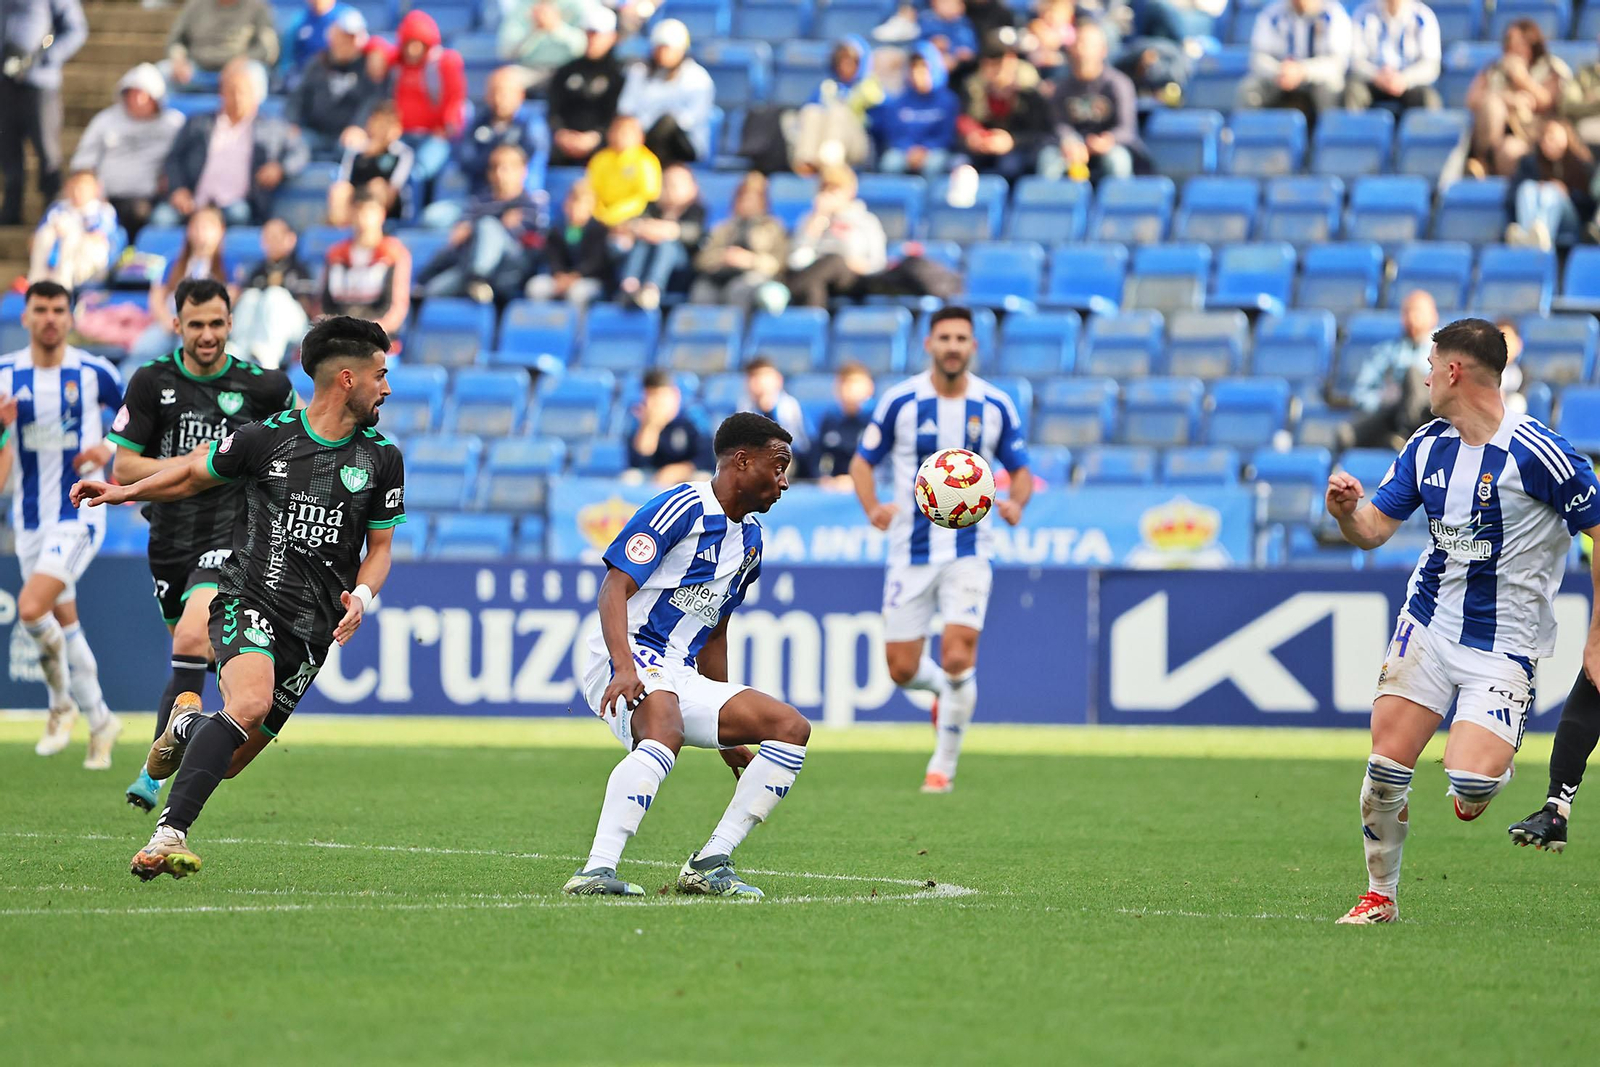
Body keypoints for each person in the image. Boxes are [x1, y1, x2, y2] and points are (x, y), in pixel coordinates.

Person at [72, 316, 404, 881]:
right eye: (381, 375)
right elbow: (191, 475)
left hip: (314, 629)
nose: (387, 388)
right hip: (250, 599)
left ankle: (184, 724)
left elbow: (380, 548)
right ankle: (167, 834)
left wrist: (364, 595)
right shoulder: (266, 438)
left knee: (227, 760)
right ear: (347, 379)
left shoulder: (382, 457)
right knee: (248, 704)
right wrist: (125, 490)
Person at [1324, 318, 1600, 923]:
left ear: (1453, 371)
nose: (1423, 377)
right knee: (1385, 768)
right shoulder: (1427, 445)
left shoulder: (1540, 453)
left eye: (1430, 366)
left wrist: (1598, 636)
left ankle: (1483, 771)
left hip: (1505, 643)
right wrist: (1347, 513)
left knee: (1471, 783)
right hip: (1428, 623)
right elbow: (1373, 529)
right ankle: (1380, 896)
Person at [565, 411, 808, 898]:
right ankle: (596, 870)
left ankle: (710, 862)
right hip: (627, 651)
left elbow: (715, 631)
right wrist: (623, 667)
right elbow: (613, 587)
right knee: (664, 729)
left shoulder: (751, 542)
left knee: (789, 728)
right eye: (778, 466)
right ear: (742, 461)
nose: (784, 482)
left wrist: (723, 731)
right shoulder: (683, 506)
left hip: (678, 670)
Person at [109, 277, 297, 812]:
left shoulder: (264, 387)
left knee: (193, 635)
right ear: (177, 325)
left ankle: (158, 777)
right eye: (196, 325)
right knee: (193, 650)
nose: (208, 334)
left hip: (233, 535)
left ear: (231, 323)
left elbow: (302, 439)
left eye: (217, 323)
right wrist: (196, 461)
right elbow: (124, 466)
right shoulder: (151, 381)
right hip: (169, 538)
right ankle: (177, 742)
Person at [848, 305, 1033, 793]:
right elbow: (862, 462)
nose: (953, 346)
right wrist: (872, 507)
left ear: (973, 346)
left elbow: (1021, 469)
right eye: (944, 338)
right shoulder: (900, 401)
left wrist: (1016, 502)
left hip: (970, 548)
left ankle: (942, 768)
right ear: (929, 344)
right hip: (909, 551)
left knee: (957, 654)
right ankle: (943, 695)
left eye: (961, 338)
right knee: (902, 669)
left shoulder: (995, 405)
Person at [0, 281, 124, 768]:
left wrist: (108, 447)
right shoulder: (5, 374)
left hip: (81, 512)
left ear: (71, 317)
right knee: (65, 624)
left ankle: (60, 706)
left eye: (58, 309)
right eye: (41, 309)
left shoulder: (95, 372)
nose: (50, 318)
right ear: (26, 316)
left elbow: (138, 414)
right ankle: (101, 719)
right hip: (30, 519)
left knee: (32, 609)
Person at [152, 57, 310, 228]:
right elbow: (174, 158)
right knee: (161, 220)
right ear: (222, 93)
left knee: (238, 215)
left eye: (242, 92)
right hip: (194, 202)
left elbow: (300, 151)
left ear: (255, 95)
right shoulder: (198, 124)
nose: (237, 98)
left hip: (236, 206)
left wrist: (280, 168)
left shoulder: (271, 128)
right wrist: (178, 189)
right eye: (231, 91)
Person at [68, 64, 185, 239]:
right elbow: (83, 162)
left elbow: (182, 160)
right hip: (105, 199)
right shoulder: (105, 120)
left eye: (143, 94)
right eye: (132, 94)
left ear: (156, 97)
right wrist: (91, 189)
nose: (137, 100)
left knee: (153, 216)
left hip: (149, 200)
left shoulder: (173, 124)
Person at [419, 144, 546, 304]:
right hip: (468, 267)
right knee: (432, 292)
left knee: (488, 225)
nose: (500, 174)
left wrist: (481, 227)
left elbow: (515, 240)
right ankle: (475, 283)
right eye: (495, 167)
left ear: (522, 171)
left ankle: (478, 278)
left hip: (508, 272)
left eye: (507, 168)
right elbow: (459, 239)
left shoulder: (530, 205)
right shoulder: (478, 202)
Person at [0, 0, 87, 226]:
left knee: (46, 147)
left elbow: (76, 29)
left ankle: (52, 208)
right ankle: (11, 208)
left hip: (40, 83)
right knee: (7, 147)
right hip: (5, 82)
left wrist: (46, 56)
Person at [1040, 20, 1147, 183]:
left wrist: (1107, 140)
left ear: (1102, 50)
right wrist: (1070, 142)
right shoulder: (1062, 87)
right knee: (1048, 159)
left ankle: (1116, 199)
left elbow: (1127, 129)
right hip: (1074, 147)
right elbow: (1060, 124)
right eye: (1077, 43)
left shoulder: (1118, 84)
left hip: (1109, 146)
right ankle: (1052, 200)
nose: (1080, 49)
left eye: (1086, 44)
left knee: (1118, 160)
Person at [1467, 19, 1573, 178]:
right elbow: (1472, 98)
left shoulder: (1550, 67)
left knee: (1510, 150)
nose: (1513, 48)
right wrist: (1507, 98)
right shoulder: (1494, 68)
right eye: (1509, 42)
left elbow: (1547, 101)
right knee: (1492, 105)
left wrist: (1521, 78)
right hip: (1497, 135)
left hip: (1533, 136)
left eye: (1519, 43)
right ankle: (1483, 163)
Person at [1339, 289, 1439, 451]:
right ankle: (1396, 440)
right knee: (1346, 435)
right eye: (1407, 312)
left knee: (1413, 375)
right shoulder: (1386, 352)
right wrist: (1383, 398)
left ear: (1433, 316)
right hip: (1391, 413)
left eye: (1418, 311)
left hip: (1428, 414)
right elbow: (1360, 394)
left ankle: (1408, 438)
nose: (1412, 318)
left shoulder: (1445, 349)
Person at [129, 206, 230, 364]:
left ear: (220, 230)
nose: (201, 232)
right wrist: (167, 321)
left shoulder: (228, 264)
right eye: (196, 226)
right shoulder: (174, 261)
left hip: (205, 324)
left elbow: (230, 297)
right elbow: (157, 297)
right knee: (145, 348)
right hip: (171, 320)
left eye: (207, 227)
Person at [286, 7, 387, 162]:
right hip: (314, 132)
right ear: (332, 35)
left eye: (352, 37)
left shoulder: (369, 67)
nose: (347, 42)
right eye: (343, 36)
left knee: (357, 152)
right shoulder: (318, 63)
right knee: (289, 146)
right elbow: (298, 97)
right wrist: (292, 122)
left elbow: (372, 101)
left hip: (347, 137)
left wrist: (358, 127)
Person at [783, 165, 888, 308]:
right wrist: (818, 218)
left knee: (834, 260)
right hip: (816, 274)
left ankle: (786, 292)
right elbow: (796, 258)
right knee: (812, 287)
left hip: (852, 278)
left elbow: (878, 263)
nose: (828, 195)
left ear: (850, 191)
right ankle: (811, 320)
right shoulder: (812, 219)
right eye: (824, 189)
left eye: (834, 189)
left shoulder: (867, 221)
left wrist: (854, 264)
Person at [1238, 0, 1353, 128]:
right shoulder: (1272, 13)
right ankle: (1251, 135)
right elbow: (1258, 57)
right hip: (1280, 77)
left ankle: (1328, 136)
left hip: (1315, 79)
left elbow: (1337, 62)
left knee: (1332, 87)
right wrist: (1280, 71)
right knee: (1250, 88)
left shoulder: (1333, 14)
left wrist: (1303, 71)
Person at [957, 28, 1053, 181]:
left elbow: (1043, 134)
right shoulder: (973, 90)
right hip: (982, 152)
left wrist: (1012, 141)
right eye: (993, 60)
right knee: (959, 164)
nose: (999, 67)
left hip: (1021, 153)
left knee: (1010, 164)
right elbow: (964, 123)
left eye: (1006, 59)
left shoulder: (1030, 91)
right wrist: (972, 139)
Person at [617, 18, 714, 166]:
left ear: (682, 50)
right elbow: (626, 108)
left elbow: (691, 119)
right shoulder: (639, 72)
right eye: (659, 47)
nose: (663, 53)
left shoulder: (698, 79)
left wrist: (654, 124)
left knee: (667, 123)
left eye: (668, 48)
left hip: (683, 143)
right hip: (640, 138)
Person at [391, 10, 468, 192]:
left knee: (417, 171)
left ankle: (417, 208)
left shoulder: (443, 64)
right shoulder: (397, 65)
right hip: (401, 135)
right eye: (408, 44)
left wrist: (447, 126)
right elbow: (374, 47)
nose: (412, 50)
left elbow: (455, 98)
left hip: (434, 137)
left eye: (417, 44)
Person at [689, 172, 789, 313]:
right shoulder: (723, 228)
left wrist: (750, 260)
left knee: (739, 289)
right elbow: (701, 260)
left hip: (755, 276)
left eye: (753, 199)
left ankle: (738, 327)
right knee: (702, 289)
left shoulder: (773, 228)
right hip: (722, 274)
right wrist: (724, 257)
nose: (747, 203)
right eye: (743, 197)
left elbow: (779, 264)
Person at [455, 66, 550, 204]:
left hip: (519, 201)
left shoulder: (532, 126)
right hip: (480, 199)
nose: (499, 99)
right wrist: (495, 154)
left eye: (505, 93)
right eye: (494, 92)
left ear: (520, 95)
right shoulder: (479, 122)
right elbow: (466, 161)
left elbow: (533, 164)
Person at [323, 192, 412, 337]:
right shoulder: (335, 254)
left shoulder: (394, 254)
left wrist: (370, 332)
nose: (362, 218)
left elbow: (396, 309)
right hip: (338, 336)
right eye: (358, 211)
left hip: (377, 337)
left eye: (369, 211)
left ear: (381, 214)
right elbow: (324, 304)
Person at [616, 162, 703, 310]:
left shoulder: (696, 210)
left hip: (680, 265)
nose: (669, 189)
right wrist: (643, 229)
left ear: (693, 189)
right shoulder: (652, 207)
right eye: (665, 184)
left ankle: (652, 288)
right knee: (642, 241)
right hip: (647, 257)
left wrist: (669, 230)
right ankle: (629, 285)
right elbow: (634, 224)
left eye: (675, 185)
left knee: (665, 243)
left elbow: (694, 233)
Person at [230, 218, 315, 367]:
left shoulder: (300, 270)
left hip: (295, 328)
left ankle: (268, 358)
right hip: (256, 329)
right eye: (267, 238)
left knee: (274, 295)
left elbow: (307, 305)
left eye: (276, 237)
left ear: (290, 239)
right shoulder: (257, 271)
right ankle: (240, 350)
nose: (272, 242)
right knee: (250, 296)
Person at [547, 5, 624, 167]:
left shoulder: (620, 75)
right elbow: (553, 107)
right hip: (562, 146)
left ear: (612, 37)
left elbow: (619, 113)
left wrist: (597, 136)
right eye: (589, 32)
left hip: (603, 148)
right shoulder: (566, 71)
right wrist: (561, 133)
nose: (592, 39)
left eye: (597, 34)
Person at [792, 36, 881, 175]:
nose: (845, 66)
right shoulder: (827, 87)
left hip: (859, 147)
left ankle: (831, 162)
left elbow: (881, 123)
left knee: (838, 110)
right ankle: (807, 163)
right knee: (812, 111)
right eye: (841, 60)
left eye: (851, 61)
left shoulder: (870, 87)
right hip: (820, 146)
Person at [872, 43, 961, 176]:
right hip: (905, 152)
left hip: (935, 151)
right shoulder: (899, 101)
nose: (918, 73)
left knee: (934, 164)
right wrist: (909, 150)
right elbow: (895, 135)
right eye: (914, 68)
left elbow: (947, 136)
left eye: (924, 67)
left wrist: (926, 149)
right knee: (890, 163)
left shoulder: (948, 100)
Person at [1506, 118, 1593, 251]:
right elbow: (1512, 196)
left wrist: (1567, 192)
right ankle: (1528, 236)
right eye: (1545, 137)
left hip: (1570, 222)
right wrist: (1538, 188)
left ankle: (1542, 239)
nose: (1548, 141)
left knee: (1551, 191)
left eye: (1553, 137)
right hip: (1534, 210)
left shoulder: (1581, 164)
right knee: (1527, 187)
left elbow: (1589, 204)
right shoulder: (1530, 163)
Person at [1346, 0, 1442, 115]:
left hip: (1408, 83)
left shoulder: (1423, 16)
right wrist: (1377, 75)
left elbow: (1431, 65)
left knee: (1427, 98)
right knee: (1352, 92)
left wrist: (1404, 78)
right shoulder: (1363, 13)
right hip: (1372, 81)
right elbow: (1354, 60)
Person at [29, 170, 119, 288]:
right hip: (54, 258)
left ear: (95, 189)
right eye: (74, 187)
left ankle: (63, 286)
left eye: (82, 188)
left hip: (87, 259)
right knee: (47, 233)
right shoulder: (57, 208)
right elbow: (35, 239)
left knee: (70, 236)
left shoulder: (103, 210)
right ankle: (37, 283)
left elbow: (99, 238)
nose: (77, 192)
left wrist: (71, 232)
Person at [527, 179, 611, 306]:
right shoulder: (557, 230)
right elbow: (553, 258)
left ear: (591, 206)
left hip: (588, 280)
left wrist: (575, 276)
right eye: (572, 201)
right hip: (559, 279)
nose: (575, 207)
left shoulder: (599, 230)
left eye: (581, 203)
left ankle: (578, 320)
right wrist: (559, 275)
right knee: (536, 287)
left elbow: (595, 262)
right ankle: (545, 319)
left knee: (578, 293)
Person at [328, 103, 413, 224]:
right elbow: (345, 180)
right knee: (340, 190)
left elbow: (394, 187)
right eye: (377, 121)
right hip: (355, 197)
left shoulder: (401, 153)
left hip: (385, 203)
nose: (380, 128)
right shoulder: (357, 150)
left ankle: (370, 226)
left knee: (377, 187)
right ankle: (340, 228)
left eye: (385, 123)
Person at [165, 0, 280, 89]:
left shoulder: (257, 7)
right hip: (197, 67)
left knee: (255, 74)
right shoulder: (196, 5)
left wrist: (243, 60)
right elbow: (176, 40)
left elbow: (268, 48)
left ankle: (249, 113)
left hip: (238, 67)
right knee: (164, 71)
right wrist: (179, 60)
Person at [627, 368, 704, 484]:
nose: (654, 402)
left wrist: (679, 471)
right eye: (649, 396)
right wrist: (650, 426)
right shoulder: (640, 418)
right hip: (654, 478)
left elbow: (706, 459)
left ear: (675, 394)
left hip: (688, 478)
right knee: (631, 478)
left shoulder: (692, 416)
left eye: (658, 395)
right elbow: (638, 462)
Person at [587, 114, 661, 227]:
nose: (619, 136)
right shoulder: (600, 159)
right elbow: (591, 191)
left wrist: (615, 215)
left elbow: (646, 197)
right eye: (616, 131)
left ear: (640, 136)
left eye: (625, 133)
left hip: (634, 218)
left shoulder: (645, 161)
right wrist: (601, 213)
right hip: (600, 218)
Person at [811, 361, 875, 484]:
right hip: (835, 488)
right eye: (844, 383)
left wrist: (856, 481)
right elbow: (817, 458)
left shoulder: (877, 420)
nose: (849, 389)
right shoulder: (829, 420)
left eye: (854, 383)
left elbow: (886, 466)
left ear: (869, 387)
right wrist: (825, 479)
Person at [498, 0, 587, 87]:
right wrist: (535, 30)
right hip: (530, 69)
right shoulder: (522, 5)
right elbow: (506, 52)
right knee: (503, 81)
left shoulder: (577, 4)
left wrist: (556, 27)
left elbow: (583, 48)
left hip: (567, 68)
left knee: (578, 83)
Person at [743, 356, 810, 472]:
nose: (758, 382)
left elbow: (801, 446)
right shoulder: (744, 409)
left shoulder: (790, 408)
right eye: (753, 377)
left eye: (763, 376)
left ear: (778, 380)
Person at [280, 0, 341, 80]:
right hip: (302, 74)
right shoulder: (300, 20)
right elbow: (288, 55)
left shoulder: (344, 17)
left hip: (335, 74)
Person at [919, 0, 978, 69]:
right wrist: (932, 45)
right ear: (934, 3)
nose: (951, 6)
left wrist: (957, 54)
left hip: (961, 68)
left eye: (956, 2)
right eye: (946, 2)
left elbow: (971, 49)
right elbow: (918, 45)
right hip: (930, 64)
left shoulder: (964, 23)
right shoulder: (926, 20)